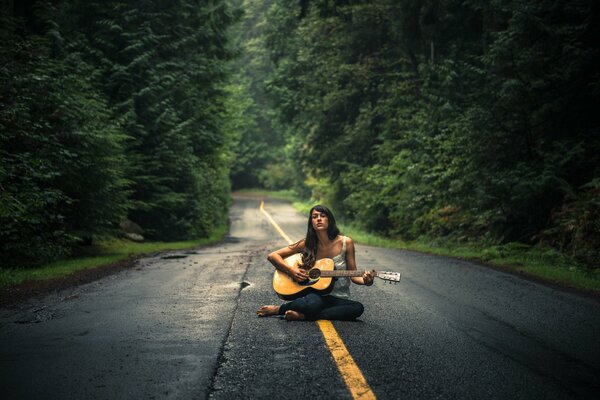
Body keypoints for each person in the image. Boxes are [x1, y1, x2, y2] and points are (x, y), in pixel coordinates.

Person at [257, 205, 373, 321]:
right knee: (313, 302)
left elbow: (354, 275)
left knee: (357, 308)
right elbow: (272, 256)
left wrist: (365, 280)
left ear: (330, 220)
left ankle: (304, 315)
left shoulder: (345, 242)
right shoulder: (306, 243)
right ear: (311, 222)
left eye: (323, 216)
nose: (318, 219)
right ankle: (279, 309)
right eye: (314, 217)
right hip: (315, 296)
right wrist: (291, 271)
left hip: (338, 297)